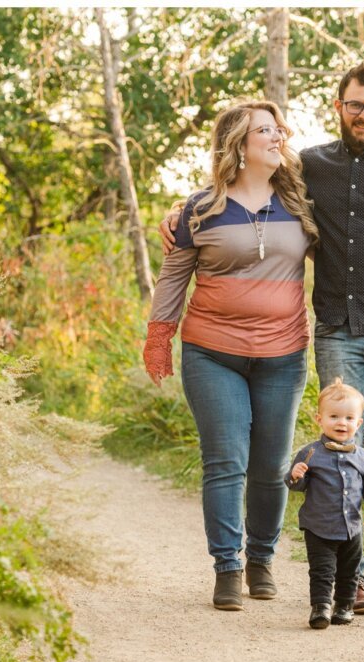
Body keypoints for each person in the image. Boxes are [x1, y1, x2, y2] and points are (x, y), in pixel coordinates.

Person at [158, 61, 364, 611]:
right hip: (338, 329)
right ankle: (353, 575)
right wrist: (184, 209)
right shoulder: (311, 167)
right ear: (338, 108)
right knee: (345, 448)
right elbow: (247, 182)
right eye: (355, 105)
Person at [142, 100, 319, 611]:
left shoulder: (303, 203)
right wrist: (159, 337)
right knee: (225, 462)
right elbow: (174, 276)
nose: (278, 136)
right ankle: (228, 567)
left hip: (283, 355)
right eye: (266, 130)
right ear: (240, 145)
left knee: (271, 466)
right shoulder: (200, 209)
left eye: (280, 128)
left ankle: (261, 560)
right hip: (212, 353)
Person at [285, 378, 364, 629]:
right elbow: (297, 485)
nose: (342, 423)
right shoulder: (310, 453)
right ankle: (320, 608)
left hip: (351, 527)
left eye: (349, 418)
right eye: (334, 416)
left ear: (359, 423)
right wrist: (295, 476)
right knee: (321, 571)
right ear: (320, 419)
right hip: (318, 526)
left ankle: (344, 606)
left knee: (349, 571)